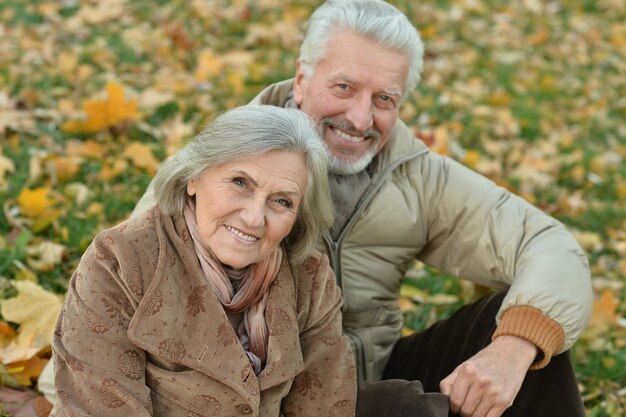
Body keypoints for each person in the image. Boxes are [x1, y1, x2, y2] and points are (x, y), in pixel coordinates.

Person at [42, 1, 591, 416]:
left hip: (356, 379)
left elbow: (551, 246)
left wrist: (515, 346)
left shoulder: (418, 177)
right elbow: (109, 300)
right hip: (248, 391)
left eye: (384, 99)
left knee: (533, 338)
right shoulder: (227, 165)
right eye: (344, 86)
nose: (359, 116)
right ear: (302, 78)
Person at [49, 105, 357, 417]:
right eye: (240, 182)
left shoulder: (311, 278)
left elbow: (325, 404)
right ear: (194, 178)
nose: (253, 218)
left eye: (281, 201)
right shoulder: (121, 260)